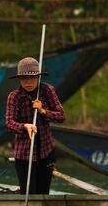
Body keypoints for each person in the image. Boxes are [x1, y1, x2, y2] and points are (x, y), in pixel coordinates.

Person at [5, 57, 65, 195]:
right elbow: (9, 123)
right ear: (19, 79)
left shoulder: (47, 90)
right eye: (25, 78)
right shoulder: (14, 96)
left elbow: (61, 116)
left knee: (43, 193)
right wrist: (24, 126)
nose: (29, 82)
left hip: (46, 152)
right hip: (24, 155)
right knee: (28, 193)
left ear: (38, 77)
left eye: (33, 77)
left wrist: (43, 110)